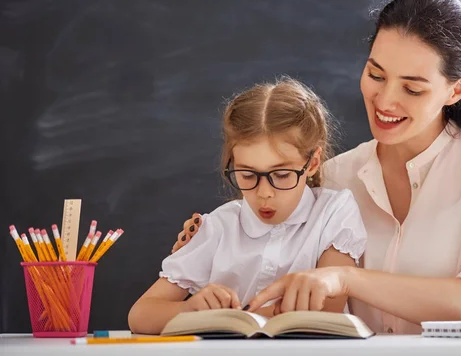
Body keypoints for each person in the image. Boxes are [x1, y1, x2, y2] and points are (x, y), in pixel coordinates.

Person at [171, 0, 461, 335]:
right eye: (376, 75)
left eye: (412, 88)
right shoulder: (333, 176)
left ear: (456, 89)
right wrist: (208, 242)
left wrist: (346, 278)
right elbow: (269, 253)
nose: (385, 100)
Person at [128, 78, 367, 334]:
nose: (264, 193)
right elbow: (140, 315)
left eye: (282, 175)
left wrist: (229, 317)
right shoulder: (220, 225)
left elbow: (327, 308)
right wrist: (189, 311)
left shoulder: (334, 211)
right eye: (248, 175)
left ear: (312, 163)